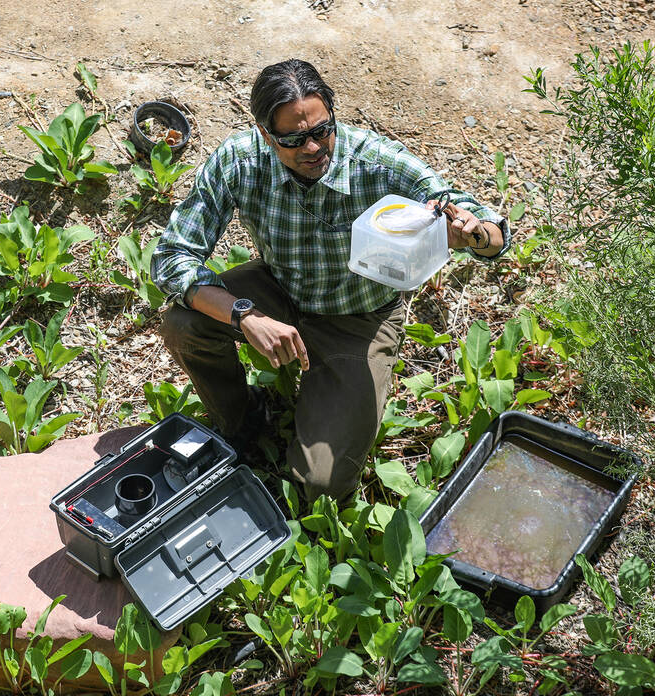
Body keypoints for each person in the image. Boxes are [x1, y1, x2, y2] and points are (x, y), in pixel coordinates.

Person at [150, 59, 510, 502]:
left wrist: (475, 233)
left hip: (359, 318)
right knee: (184, 323)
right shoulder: (240, 161)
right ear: (265, 135)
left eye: (323, 130)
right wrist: (244, 315)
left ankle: (325, 406)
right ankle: (243, 420)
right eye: (294, 139)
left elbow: (485, 227)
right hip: (280, 289)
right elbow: (172, 258)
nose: (314, 148)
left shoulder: (374, 163)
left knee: (320, 490)